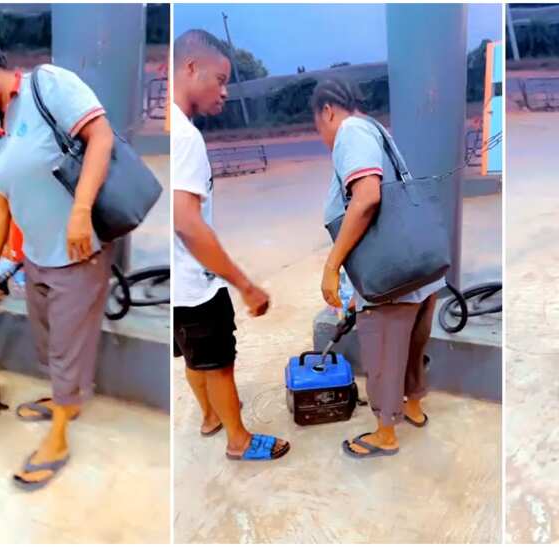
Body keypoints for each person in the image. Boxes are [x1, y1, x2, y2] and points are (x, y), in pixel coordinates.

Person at [0, 31, 115, 489]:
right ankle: (69, 400)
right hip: (36, 257)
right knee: (47, 341)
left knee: (65, 349)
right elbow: (0, 206)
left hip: (80, 251)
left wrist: (80, 211)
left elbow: (101, 136)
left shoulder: (47, 86)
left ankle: (58, 437)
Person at [309, 78, 445, 458]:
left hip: (390, 278)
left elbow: (367, 196)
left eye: (320, 128)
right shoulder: (376, 130)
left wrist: (332, 265)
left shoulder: (350, 131)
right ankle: (413, 406)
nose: (323, 137)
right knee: (413, 345)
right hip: (419, 272)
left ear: (328, 111)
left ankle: (386, 433)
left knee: (383, 352)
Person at [172, 29, 289, 461]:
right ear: (190, 68)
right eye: (219, 79)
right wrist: (243, 284)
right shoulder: (185, 138)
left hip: (174, 288)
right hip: (196, 284)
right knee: (218, 363)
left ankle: (209, 416)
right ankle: (238, 441)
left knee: (190, 354)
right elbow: (187, 222)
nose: (224, 91)